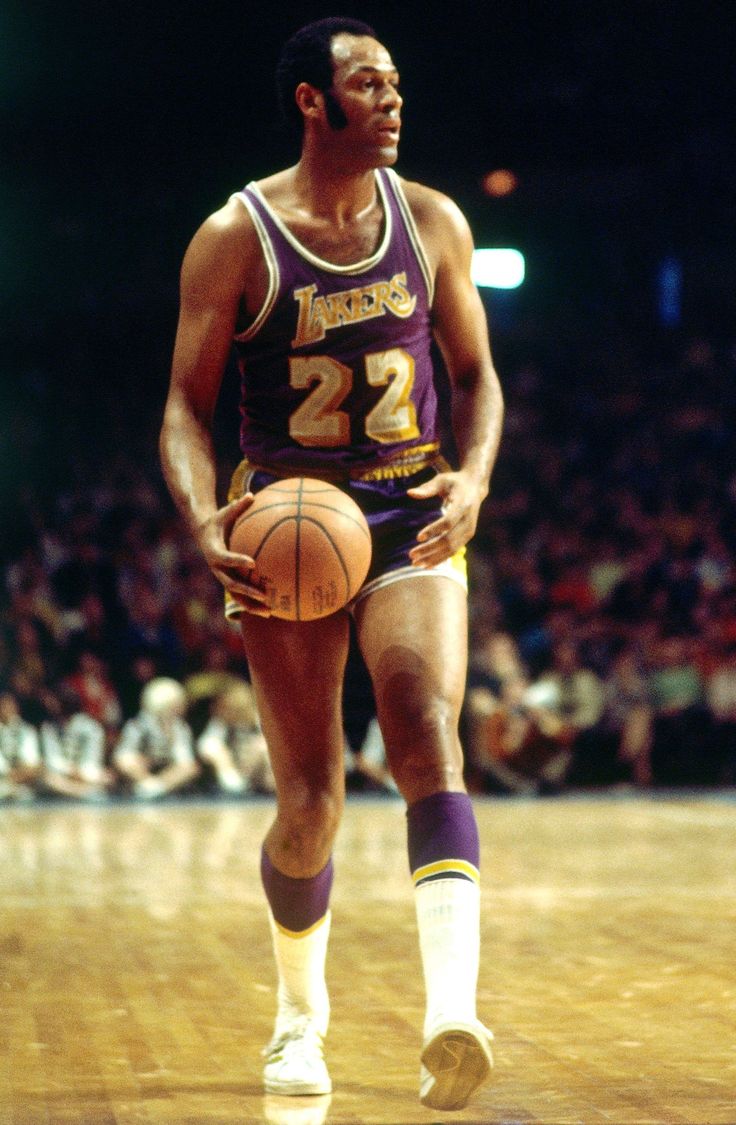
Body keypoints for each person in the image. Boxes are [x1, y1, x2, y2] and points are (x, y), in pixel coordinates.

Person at [160, 16, 503, 1112]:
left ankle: (452, 1012)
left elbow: (478, 380)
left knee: (423, 730)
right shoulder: (237, 235)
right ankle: (297, 1022)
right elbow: (181, 406)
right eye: (368, 83)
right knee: (309, 799)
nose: (393, 99)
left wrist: (474, 477)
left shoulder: (433, 221)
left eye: (396, 81)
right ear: (314, 101)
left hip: (407, 512)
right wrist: (199, 516)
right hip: (287, 525)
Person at [113, 677, 200, 799]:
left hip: (168, 771)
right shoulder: (138, 725)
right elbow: (125, 753)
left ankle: (157, 788)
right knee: (125, 760)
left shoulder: (181, 728)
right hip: (143, 770)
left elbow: (185, 759)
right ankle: (148, 784)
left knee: (190, 767)